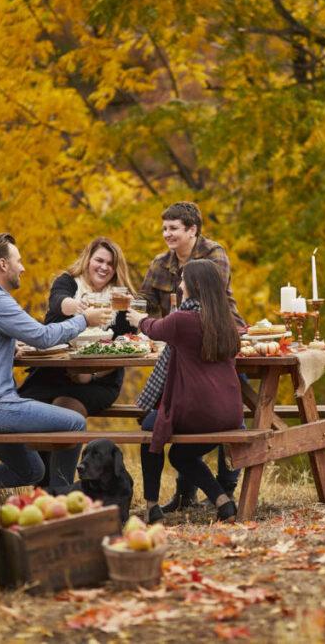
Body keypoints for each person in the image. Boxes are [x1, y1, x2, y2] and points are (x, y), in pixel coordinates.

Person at [0, 233, 112, 490]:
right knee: (74, 422)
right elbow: (43, 337)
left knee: (32, 471)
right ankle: (61, 497)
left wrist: (4, 346)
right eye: (18, 261)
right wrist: (84, 320)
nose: (22, 267)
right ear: (3, 265)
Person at [138, 202, 246, 511]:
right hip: (189, 343)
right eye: (164, 228)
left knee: (158, 422)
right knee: (189, 408)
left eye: (173, 228)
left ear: (192, 230)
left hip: (212, 333)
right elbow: (145, 300)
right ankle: (194, 496)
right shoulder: (160, 263)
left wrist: (150, 323)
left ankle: (224, 486)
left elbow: (209, 298)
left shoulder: (214, 255)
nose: (166, 234)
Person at [18, 236, 138, 486]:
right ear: (88, 259)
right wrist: (81, 308)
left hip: (98, 381)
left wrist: (90, 374)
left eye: (111, 264)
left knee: (64, 410)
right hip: (51, 373)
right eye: (99, 260)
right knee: (26, 410)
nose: (104, 267)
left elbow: (126, 347)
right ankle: (40, 486)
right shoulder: (67, 283)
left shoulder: (120, 298)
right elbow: (60, 303)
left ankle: (58, 489)